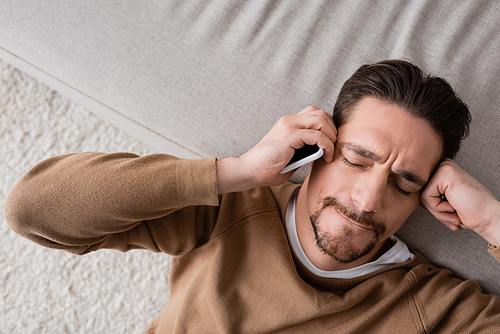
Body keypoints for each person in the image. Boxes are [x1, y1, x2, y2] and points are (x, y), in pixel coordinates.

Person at [4, 60, 500, 333]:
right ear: (319, 145)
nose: (370, 197)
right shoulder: (231, 207)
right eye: (357, 158)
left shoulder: (433, 309)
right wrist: (234, 171)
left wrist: (494, 223)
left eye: (403, 182)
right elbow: (33, 210)